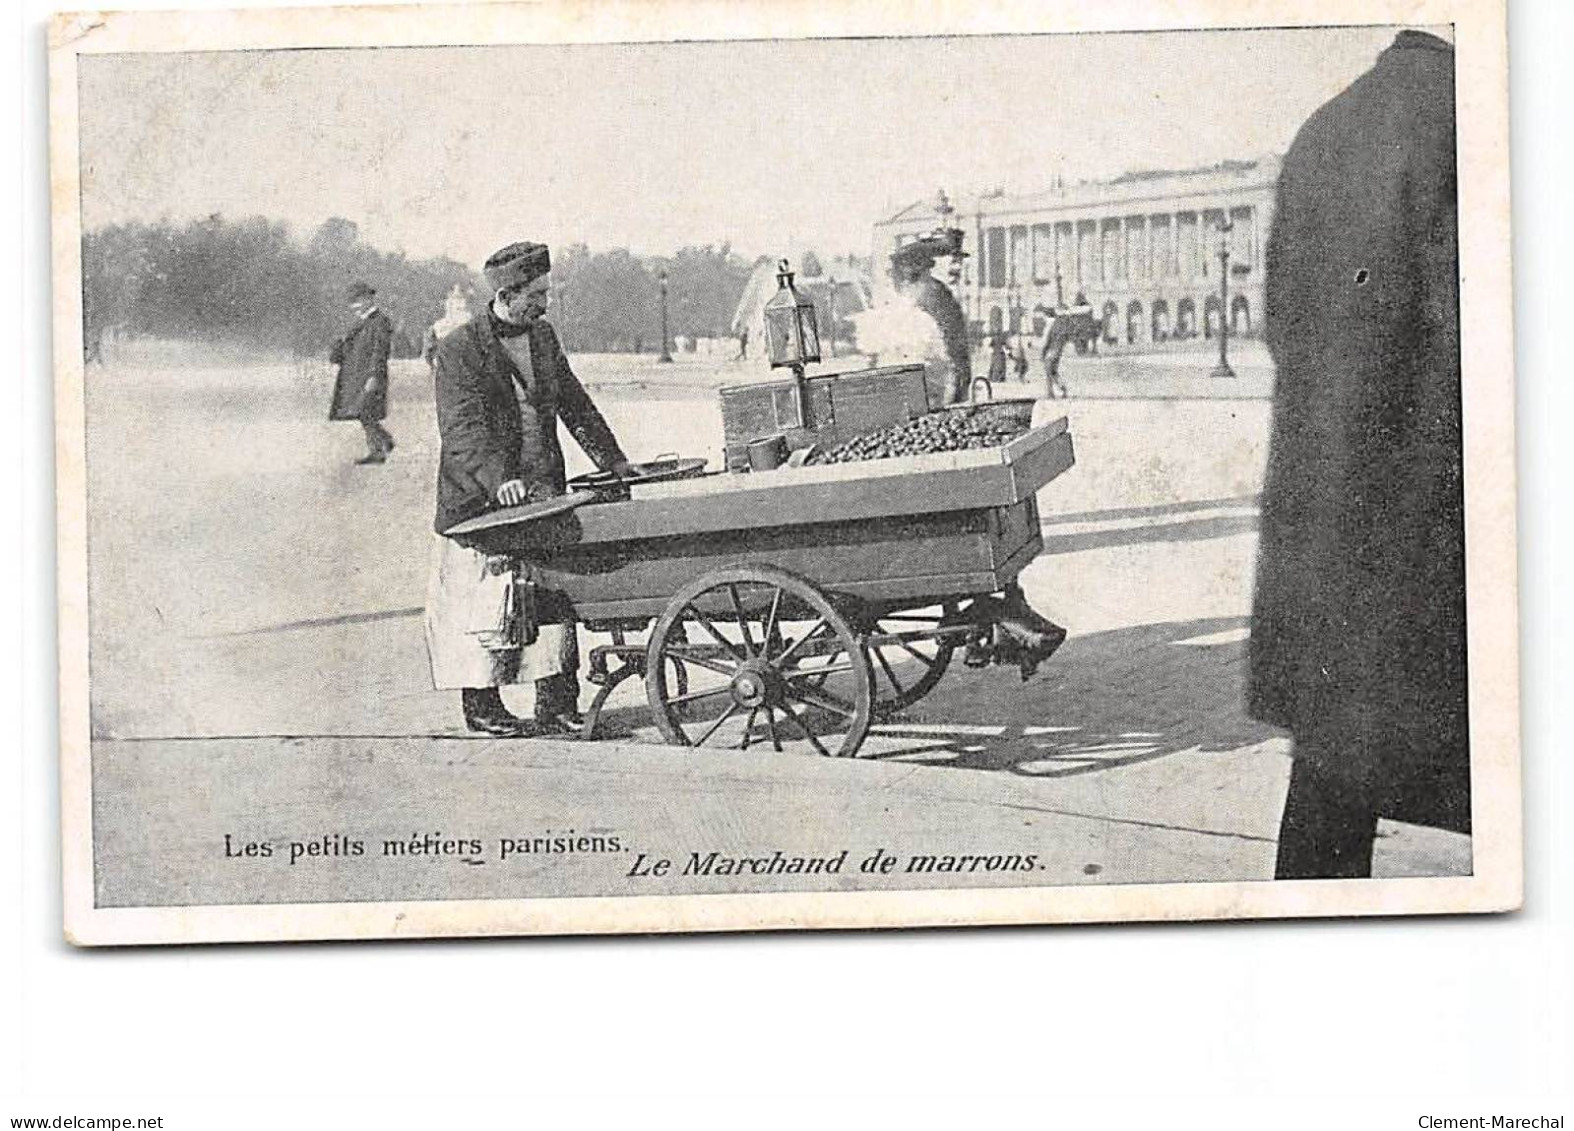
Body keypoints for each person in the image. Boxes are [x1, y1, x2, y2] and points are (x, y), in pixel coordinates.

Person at [1248, 30, 1467, 879]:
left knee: (1333, 786)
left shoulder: (1325, 130)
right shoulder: (1465, 127)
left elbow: (1281, 329)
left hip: (1332, 532)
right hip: (1429, 534)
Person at [426, 241, 633, 737]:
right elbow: (462, 429)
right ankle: (483, 707)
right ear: (507, 293)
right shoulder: (458, 349)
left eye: (547, 291)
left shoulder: (543, 337)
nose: (546, 302)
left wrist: (615, 461)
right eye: (537, 293)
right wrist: (502, 481)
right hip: (480, 501)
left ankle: (557, 704)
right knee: (487, 603)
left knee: (555, 595)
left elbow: (575, 405)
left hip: (543, 491)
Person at [889, 240, 971, 404]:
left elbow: (954, 341)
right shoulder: (927, 295)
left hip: (942, 377)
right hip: (929, 380)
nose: (958, 270)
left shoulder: (936, 294)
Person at [327, 281, 396, 464]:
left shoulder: (380, 321)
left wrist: (374, 375)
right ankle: (384, 441)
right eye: (352, 303)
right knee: (364, 413)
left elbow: (379, 351)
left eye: (357, 302)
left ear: (368, 299)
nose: (353, 307)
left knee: (366, 412)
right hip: (356, 376)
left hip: (369, 376)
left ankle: (379, 450)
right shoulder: (360, 322)